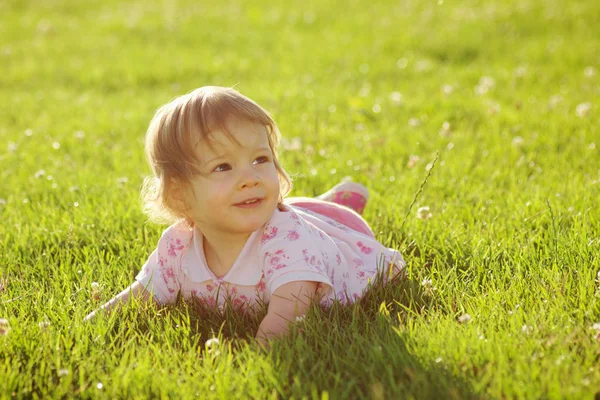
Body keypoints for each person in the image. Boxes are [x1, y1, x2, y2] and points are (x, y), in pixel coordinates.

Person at [85, 86, 405, 345]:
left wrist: (255, 363)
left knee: (329, 221)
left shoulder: (288, 243)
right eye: (223, 166)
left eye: (260, 159)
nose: (250, 177)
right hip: (290, 220)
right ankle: (326, 201)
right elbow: (141, 294)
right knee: (299, 211)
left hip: (329, 240)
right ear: (179, 195)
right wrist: (90, 325)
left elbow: (288, 316)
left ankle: (339, 205)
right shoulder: (178, 246)